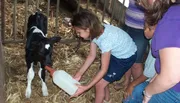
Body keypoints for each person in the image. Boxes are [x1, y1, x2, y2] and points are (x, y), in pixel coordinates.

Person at [70, 10, 137, 103]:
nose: (78, 35)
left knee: (99, 84)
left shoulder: (105, 41)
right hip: (118, 51)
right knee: (102, 76)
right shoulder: (95, 32)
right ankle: (106, 99)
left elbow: (104, 70)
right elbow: (91, 55)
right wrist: (79, 74)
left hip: (125, 57)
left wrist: (86, 87)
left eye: (78, 32)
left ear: (87, 29)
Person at [137, 0, 180, 103]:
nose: (139, 3)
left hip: (173, 90)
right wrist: (156, 78)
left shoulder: (172, 17)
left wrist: (148, 92)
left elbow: (171, 77)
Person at [114, 0, 149, 90]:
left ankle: (138, 89)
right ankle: (127, 81)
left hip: (141, 28)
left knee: (136, 62)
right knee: (127, 55)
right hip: (128, 23)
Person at [123, 23, 156, 103]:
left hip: (156, 82)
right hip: (153, 79)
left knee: (130, 96)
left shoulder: (157, 47)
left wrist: (132, 84)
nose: (145, 31)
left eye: (149, 29)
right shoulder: (153, 40)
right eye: (144, 28)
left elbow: (149, 73)